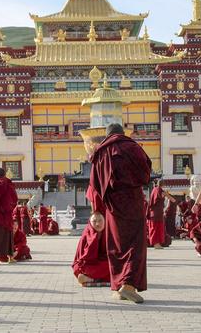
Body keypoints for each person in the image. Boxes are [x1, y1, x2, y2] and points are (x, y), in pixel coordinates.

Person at [89, 123, 151, 303]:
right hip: (132, 200)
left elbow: (94, 183)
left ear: (107, 135)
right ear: (122, 133)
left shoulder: (100, 152)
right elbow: (145, 173)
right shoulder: (132, 146)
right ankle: (128, 286)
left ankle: (118, 286)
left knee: (116, 244)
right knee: (135, 243)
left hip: (112, 205)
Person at [73, 212, 110, 286]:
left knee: (115, 266)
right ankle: (91, 278)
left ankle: (90, 279)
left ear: (105, 222)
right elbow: (85, 257)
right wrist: (94, 239)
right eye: (94, 221)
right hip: (87, 264)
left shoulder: (108, 232)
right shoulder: (88, 234)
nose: (97, 224)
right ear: (90, 222)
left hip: (102, 262)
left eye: (100, 221)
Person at [147, 181, 166, 249]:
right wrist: (163, 195)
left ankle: (157, 244)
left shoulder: (154, 189)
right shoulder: (158, 190)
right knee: (156, 229)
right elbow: (160, 197)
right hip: (156, 213)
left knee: (157, 228)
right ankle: (156, 244)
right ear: (162, 184)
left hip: (155, 213)